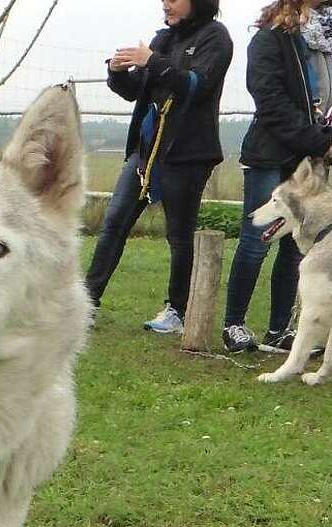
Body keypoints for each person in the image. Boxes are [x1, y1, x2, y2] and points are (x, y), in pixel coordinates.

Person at [221, 0, 332, 353]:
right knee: (256, 240)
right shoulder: (271, 38)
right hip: (271, 154)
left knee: (296, 244)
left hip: (314, 159)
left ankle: (279, 329)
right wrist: (317, 139)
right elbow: (269, 100)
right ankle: (234, 325)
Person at [84, 0, 232, 334]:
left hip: (186, 153)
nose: (165, 3)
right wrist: (118, 72)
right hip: (144, 152)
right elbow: (135, 90)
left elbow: (197, 86)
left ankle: (177, 311)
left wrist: (153, 61)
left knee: (179, 235)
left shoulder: (216, 38)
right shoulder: (163, 39)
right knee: (113, 225)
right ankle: (87, 302)